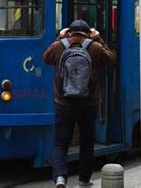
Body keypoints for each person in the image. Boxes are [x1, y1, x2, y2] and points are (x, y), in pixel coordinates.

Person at [43, 20, 116, 188]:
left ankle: (60, 178)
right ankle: (84, 179)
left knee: (60, 143)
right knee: (86, 142)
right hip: (88, 104)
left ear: (69, 32)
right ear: (87, 33)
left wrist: (58, 38)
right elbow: (111, 59)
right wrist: (99, 39)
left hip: (63, 103)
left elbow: (45, 57)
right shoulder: (95, 47)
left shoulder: (59, 46)